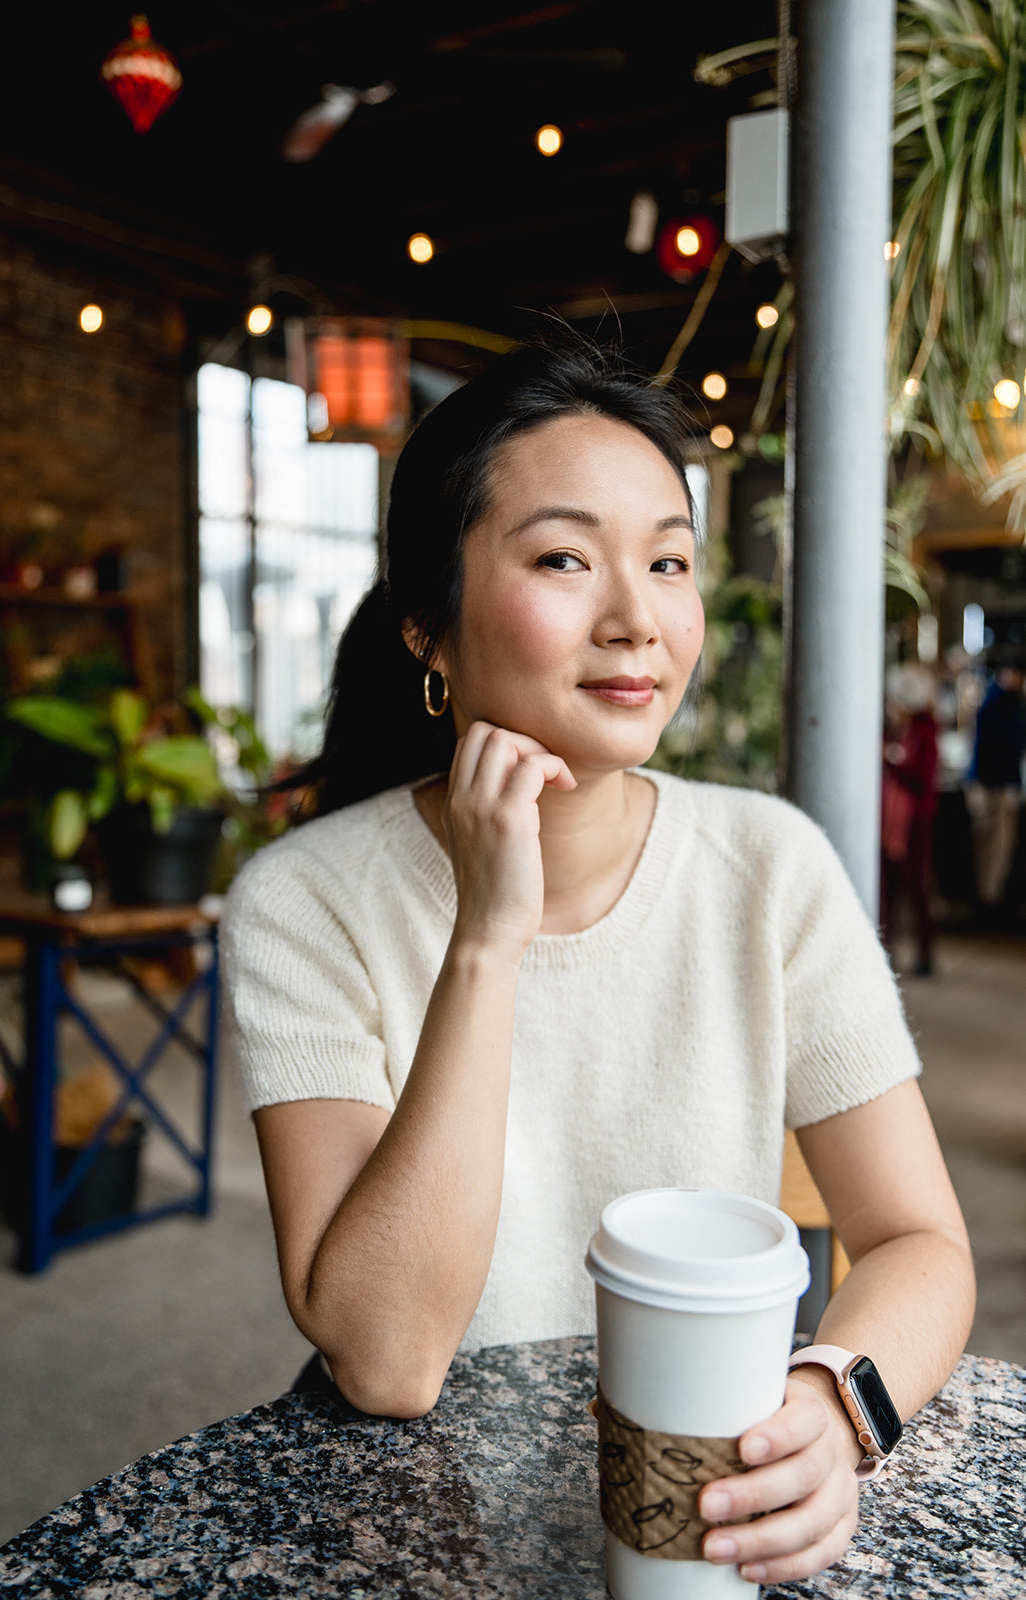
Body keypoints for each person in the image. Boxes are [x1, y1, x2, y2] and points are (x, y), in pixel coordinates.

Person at [221, 336, 974, 1589]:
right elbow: (390, 1358)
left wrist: (834, 1411)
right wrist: (485, 936)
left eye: (667, 559)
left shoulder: (765, 868)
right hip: (411, 1515)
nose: (637, 618)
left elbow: (915, 1240)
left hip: (701, 1496)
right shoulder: (303, 901)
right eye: (565, 558)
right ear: (428, 627)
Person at [880, 664, 940, 974]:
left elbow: (922, 776)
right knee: (888, 891)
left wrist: (892, 760)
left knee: (916, 889)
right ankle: (885, 951)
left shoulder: (925, 730)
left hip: (915, 821)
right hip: (893, 821)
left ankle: (924, 955)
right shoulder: (899, 728)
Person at [963, 656, 1026, 921]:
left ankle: (989, 898)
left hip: (995, 783)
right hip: (992, 784)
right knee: (992, 844)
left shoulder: (1000, 701)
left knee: (995, 845)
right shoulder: (999, 703)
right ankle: (988, 900)